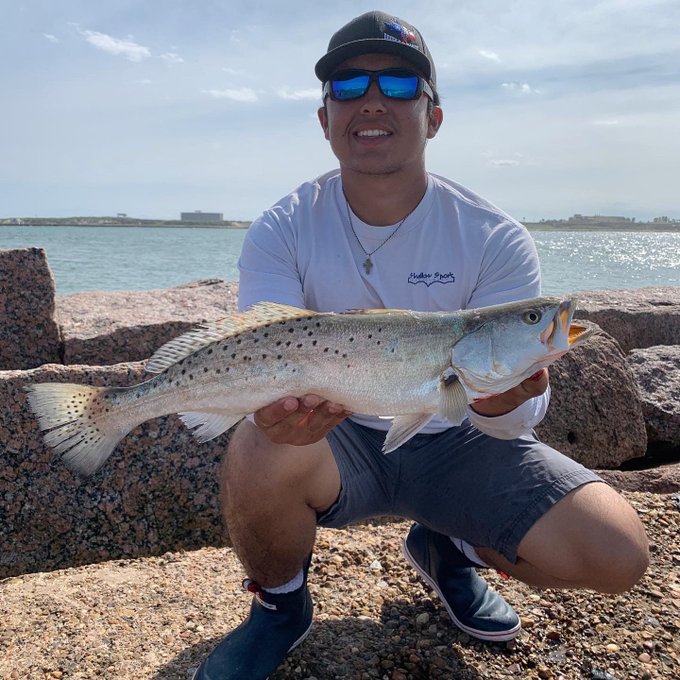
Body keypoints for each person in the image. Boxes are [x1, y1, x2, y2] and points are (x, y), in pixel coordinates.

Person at [193, 10, 649, 680]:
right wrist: (273, 413)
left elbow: (511, 420)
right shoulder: (282, 227)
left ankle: (448, 547)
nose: (373, 101)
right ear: (324, 118)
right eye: (349, 87)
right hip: (336, 434)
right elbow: (260, 342)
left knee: (619, 553)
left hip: (456, 437)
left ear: (433, 117)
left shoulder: (494, 237)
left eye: (401, 85)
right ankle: (279, 607)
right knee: (259, 443)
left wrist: (508, 399)